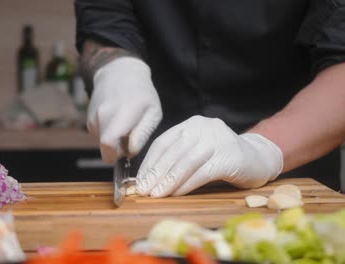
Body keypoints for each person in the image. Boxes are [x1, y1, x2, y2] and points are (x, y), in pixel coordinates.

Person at [74, 1, 345, 197]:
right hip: (153, 179)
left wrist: (263, 149)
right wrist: (115, 69)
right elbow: (103, 18)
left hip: (291, 178)